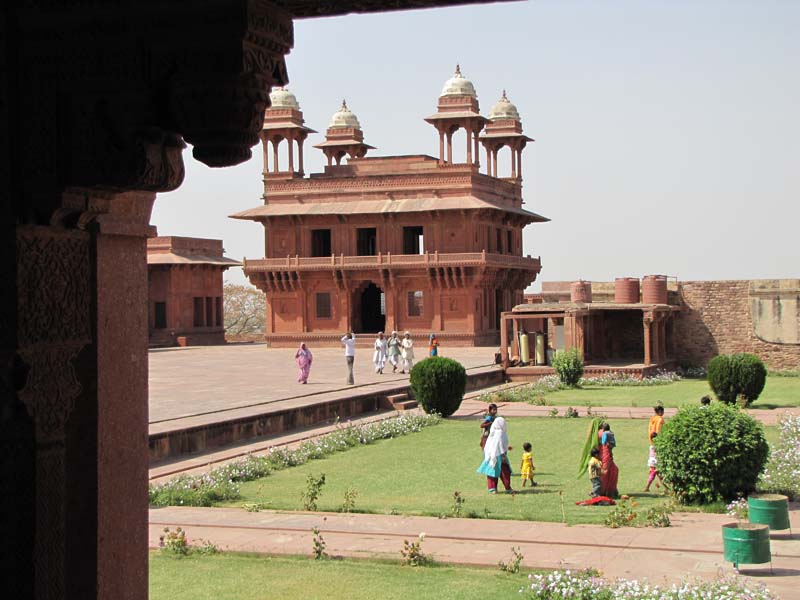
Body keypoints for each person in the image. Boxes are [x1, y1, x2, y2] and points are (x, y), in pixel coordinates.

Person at [476, 417, 513, 494]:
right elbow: (500, 444)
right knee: (505, 472)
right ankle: (507, 487)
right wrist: (503, 453)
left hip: (491, 455)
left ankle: (493, 488)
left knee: (492, 472)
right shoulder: (501, 433)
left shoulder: (493, 432)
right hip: (500, 455)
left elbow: (491, 444)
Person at [599, 422, 619, 498]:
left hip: (607, 449)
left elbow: (603, 442)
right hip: (611, 446)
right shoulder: (611, 433)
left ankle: (603, 490)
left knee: (605, 471)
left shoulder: (605, 434)